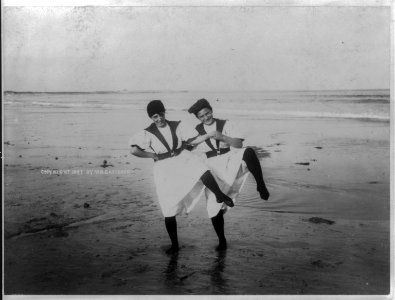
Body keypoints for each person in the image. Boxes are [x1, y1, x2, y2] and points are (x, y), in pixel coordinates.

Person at [129, 100, 234, 254]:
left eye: (161, 114)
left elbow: (193, 140)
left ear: (165, 112)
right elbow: (133, 150)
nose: (159, 119)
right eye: (155, 117)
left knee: (202, 170)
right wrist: (152, 155)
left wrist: (209, 135)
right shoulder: (147, 133)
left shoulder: (177, 125)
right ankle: (175, 245)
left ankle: (220, 195)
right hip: (164, 166)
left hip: (181, 157)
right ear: (151, 117)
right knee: (168, 204)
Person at [187, 98, 270, 250]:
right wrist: (206, 136)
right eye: (201, 116)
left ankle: (261, 186)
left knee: (249, 152)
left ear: (211, 110)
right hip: (212, 164)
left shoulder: (226, 124)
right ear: (198, 118)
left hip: (230, 158)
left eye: (207, 113)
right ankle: (222, 240)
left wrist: (223, 137)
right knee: (213, 207)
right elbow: (188, 145)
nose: (206, 118)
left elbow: (239, 144)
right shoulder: (196, 130)